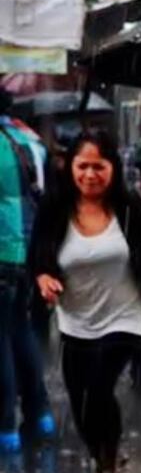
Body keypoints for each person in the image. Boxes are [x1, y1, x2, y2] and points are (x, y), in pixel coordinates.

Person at [28, 132, 141, 473]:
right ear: (70, 168)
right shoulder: (55, 210)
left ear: (113, 169)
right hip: (75, 319)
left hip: (126, 316)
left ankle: (108, 461)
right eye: (82, 166)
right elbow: (39, 254)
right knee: (80, 402)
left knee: (100, 388)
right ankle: (102, 454)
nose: (89, 175)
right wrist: (43, 277)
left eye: (98, 166)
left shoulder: (132, 209)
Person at [0, 88, 55, 454]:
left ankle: (5, 427)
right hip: (27, 255)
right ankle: (40, 413)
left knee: (0, 340)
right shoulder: (30, 142)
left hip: (2, 251)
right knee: (21, 332)